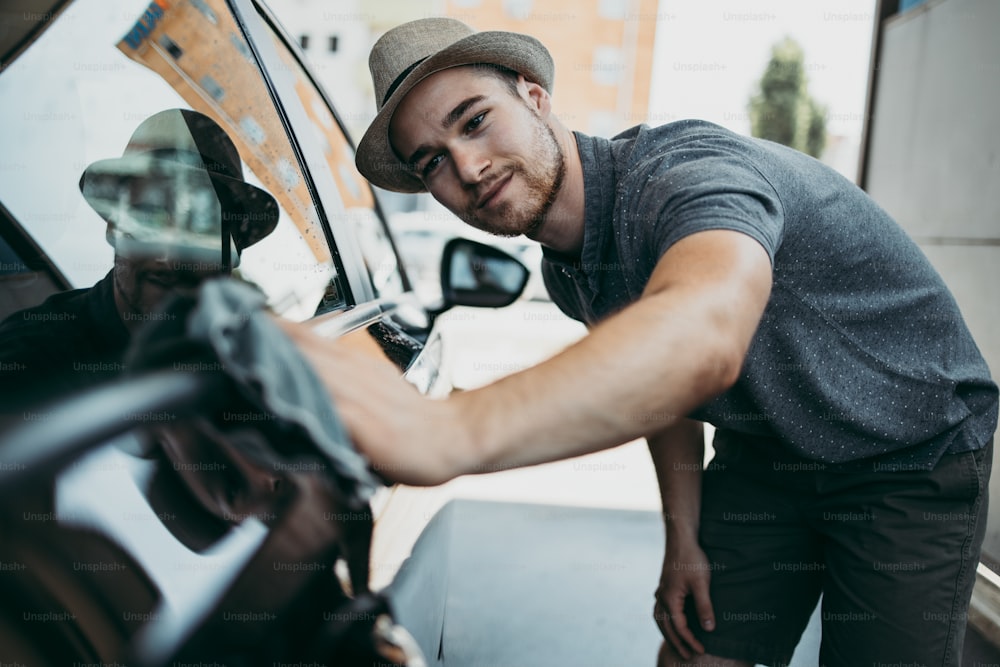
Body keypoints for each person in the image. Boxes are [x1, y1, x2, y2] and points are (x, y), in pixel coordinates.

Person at [282, 18, 998, 666]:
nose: (467, 169)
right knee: (693, 653)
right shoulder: (568, 271)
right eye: (431, 161)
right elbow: (663, 386)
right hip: (771, 456)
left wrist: (447, 428)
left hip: (907, 450)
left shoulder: (681, 175)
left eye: (474, 121)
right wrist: (681, 536)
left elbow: (702, 331)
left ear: (535, 97)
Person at [0, 108, 278, 409]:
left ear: (230, 258)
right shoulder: (32, 360)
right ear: (114, 228)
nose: (169, 257)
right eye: (148, 220)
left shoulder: (244, 357)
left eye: (201, 230)